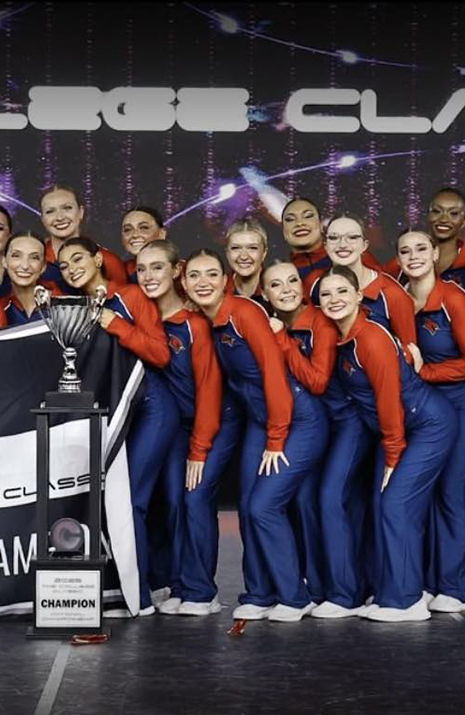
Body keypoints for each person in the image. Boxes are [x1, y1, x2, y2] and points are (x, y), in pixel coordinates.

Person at [186, 249, 325, 623]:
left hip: (298, 420)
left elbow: (274, 374)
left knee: (264, 506)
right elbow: (212, 388)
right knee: (249, 507)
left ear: (225, 280)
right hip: (258, 422)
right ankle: (260, 593)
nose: (203, 282)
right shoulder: (207, 323)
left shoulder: (245, 312)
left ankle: (294, 597)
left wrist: (276, 438)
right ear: (184, 282)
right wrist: (200, 448)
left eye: (211, 274)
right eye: (194, 275)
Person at [319, 269, 457, 622]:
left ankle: (407, 601)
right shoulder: (342, 337)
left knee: (396, 502)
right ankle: (389, 592)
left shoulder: (371, 337)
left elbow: (389, 400)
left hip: (428, 425)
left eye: (342, 291)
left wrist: (392, 458)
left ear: (358, 295)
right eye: (326, 294)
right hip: (397, 431)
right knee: (385, 504)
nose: (334, 299)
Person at [56, 236, 172, 615]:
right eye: (64, 265)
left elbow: (161, 354)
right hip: (114, 413)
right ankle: (130, 588)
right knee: (110, 499)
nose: (72, 269)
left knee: (131, 500)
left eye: (78, 259)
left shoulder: (130, 296)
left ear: (97, 258)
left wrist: (116, 324)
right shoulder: (75, 306)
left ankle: (140, 598)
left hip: (152, 408)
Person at [135, 240, 237, 616]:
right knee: (174, 501)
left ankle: (202, 591)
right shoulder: (144, 320)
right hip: (177, 426)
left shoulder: (194, 325)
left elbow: (209, 390)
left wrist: (200, 449)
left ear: (176, 270)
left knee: (194, 498)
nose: (149, 276)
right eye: (141, 269)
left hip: (213, 423)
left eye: (157, 267)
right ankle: (178, 585)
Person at [399, 229, 465, 612]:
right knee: (429, 492)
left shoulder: (453, 297)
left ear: (436, 254)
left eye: (421, 248)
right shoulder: (399, 299)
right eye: (405, 251)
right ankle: (433, 579)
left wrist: (426, 374)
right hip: (424, 409)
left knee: (454, 488)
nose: (414, 256)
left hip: (463, 402)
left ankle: (458, 585)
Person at [262, 261, 337, 613]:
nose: (287, 289)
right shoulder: (267, 322)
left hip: (327, 421)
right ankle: (309, 585)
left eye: (292, 280)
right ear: (265, 293)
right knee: (301, 502)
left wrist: (282, 339)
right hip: (289, 420)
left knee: (311, 503)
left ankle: (322, 589)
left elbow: (318, 382)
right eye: (276, 285)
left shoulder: (320, 322)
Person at [324, 215, 423, 370]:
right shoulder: (318, 287)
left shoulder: (392, 293)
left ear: (364, 245)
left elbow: (410, 354)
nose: (342, 244)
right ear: (325, 245)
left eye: (352, 237)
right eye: (334, 238)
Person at [370, 187, 465, 290]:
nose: (444, 219)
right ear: (428, 215)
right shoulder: (403, 263)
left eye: (453, 213)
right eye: (436, 211)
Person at [39, 184, 127, 288]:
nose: (60, 217)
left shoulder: (108, 260)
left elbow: (124, 296)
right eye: (50, 211)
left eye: (67, 208)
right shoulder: (35, 260)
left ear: (81, 212)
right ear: (43, 219)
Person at [281, 197, 330, 293]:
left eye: (308, 216)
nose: (299, 223)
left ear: (321, 225)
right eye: (290, 219)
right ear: (284, 231)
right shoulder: (279, 275)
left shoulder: (346, 261)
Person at [2, 231, 50, 325]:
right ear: (4, 261)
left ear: (43, 266)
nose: (25, 266)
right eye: (16, 256)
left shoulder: (60, 304)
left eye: (34, 258)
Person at [120, 206, 168, 283]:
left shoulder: (182, 271)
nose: (135, 235)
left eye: (144, 228)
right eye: (127, 230)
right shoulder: (117, 272)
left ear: (162, 234)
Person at [224, 217, 268, 301]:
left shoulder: (277, 286)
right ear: (227, 253)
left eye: (252, 248)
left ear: (264, 253)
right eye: (236, 248)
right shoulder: (218, 288)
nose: (243, 256)